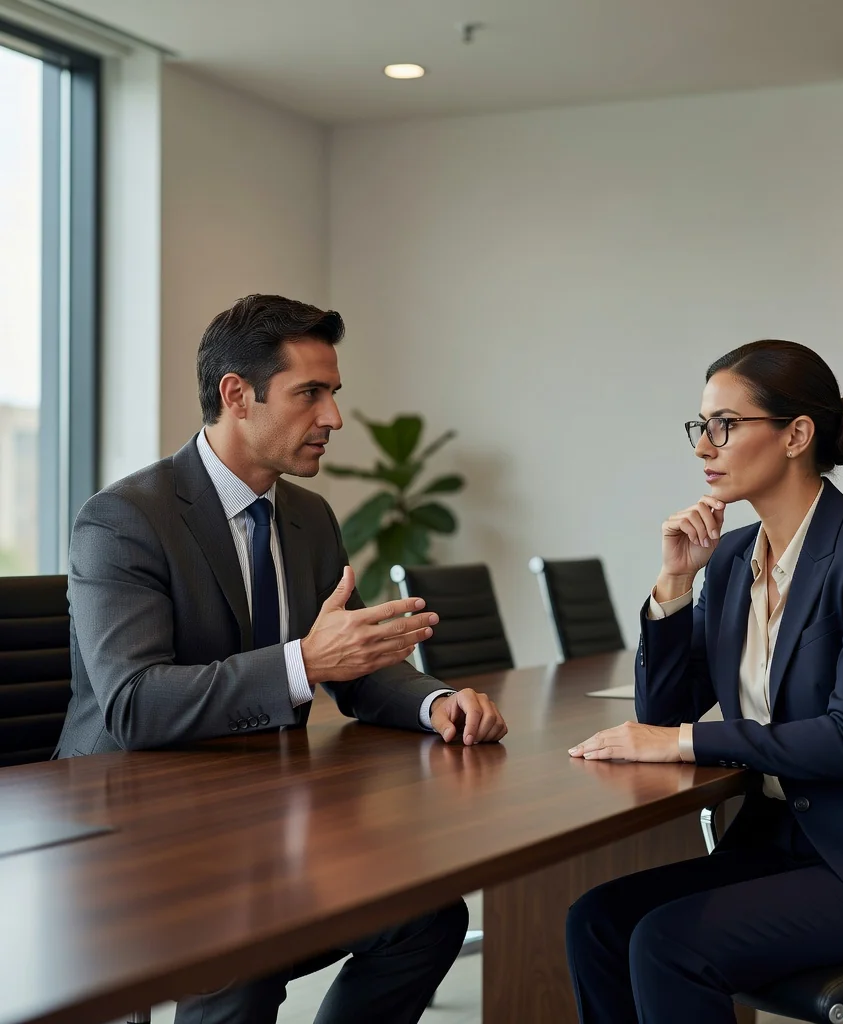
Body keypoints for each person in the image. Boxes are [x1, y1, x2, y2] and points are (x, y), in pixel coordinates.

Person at [56, 293, 508, 1024]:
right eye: (310, 394)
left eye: (332, 394)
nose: (332, 418)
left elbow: (352, 658)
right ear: (237, 395)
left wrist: (434, 702)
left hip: (258, 817)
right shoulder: (125, 519)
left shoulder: (307, 515)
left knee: (428, 916)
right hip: (135, 831)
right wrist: (303, 660)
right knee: (245, 957)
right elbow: (135, 706)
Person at [565, 339, 843, 1024]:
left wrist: (684, 742)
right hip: (785, 842)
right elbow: (662, 713)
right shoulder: (735, 555)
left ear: (796, 435)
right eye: (700, 427)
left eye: (725, 425)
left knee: (667, 943)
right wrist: (674, 586)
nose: (704, 446)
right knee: (596, 919)